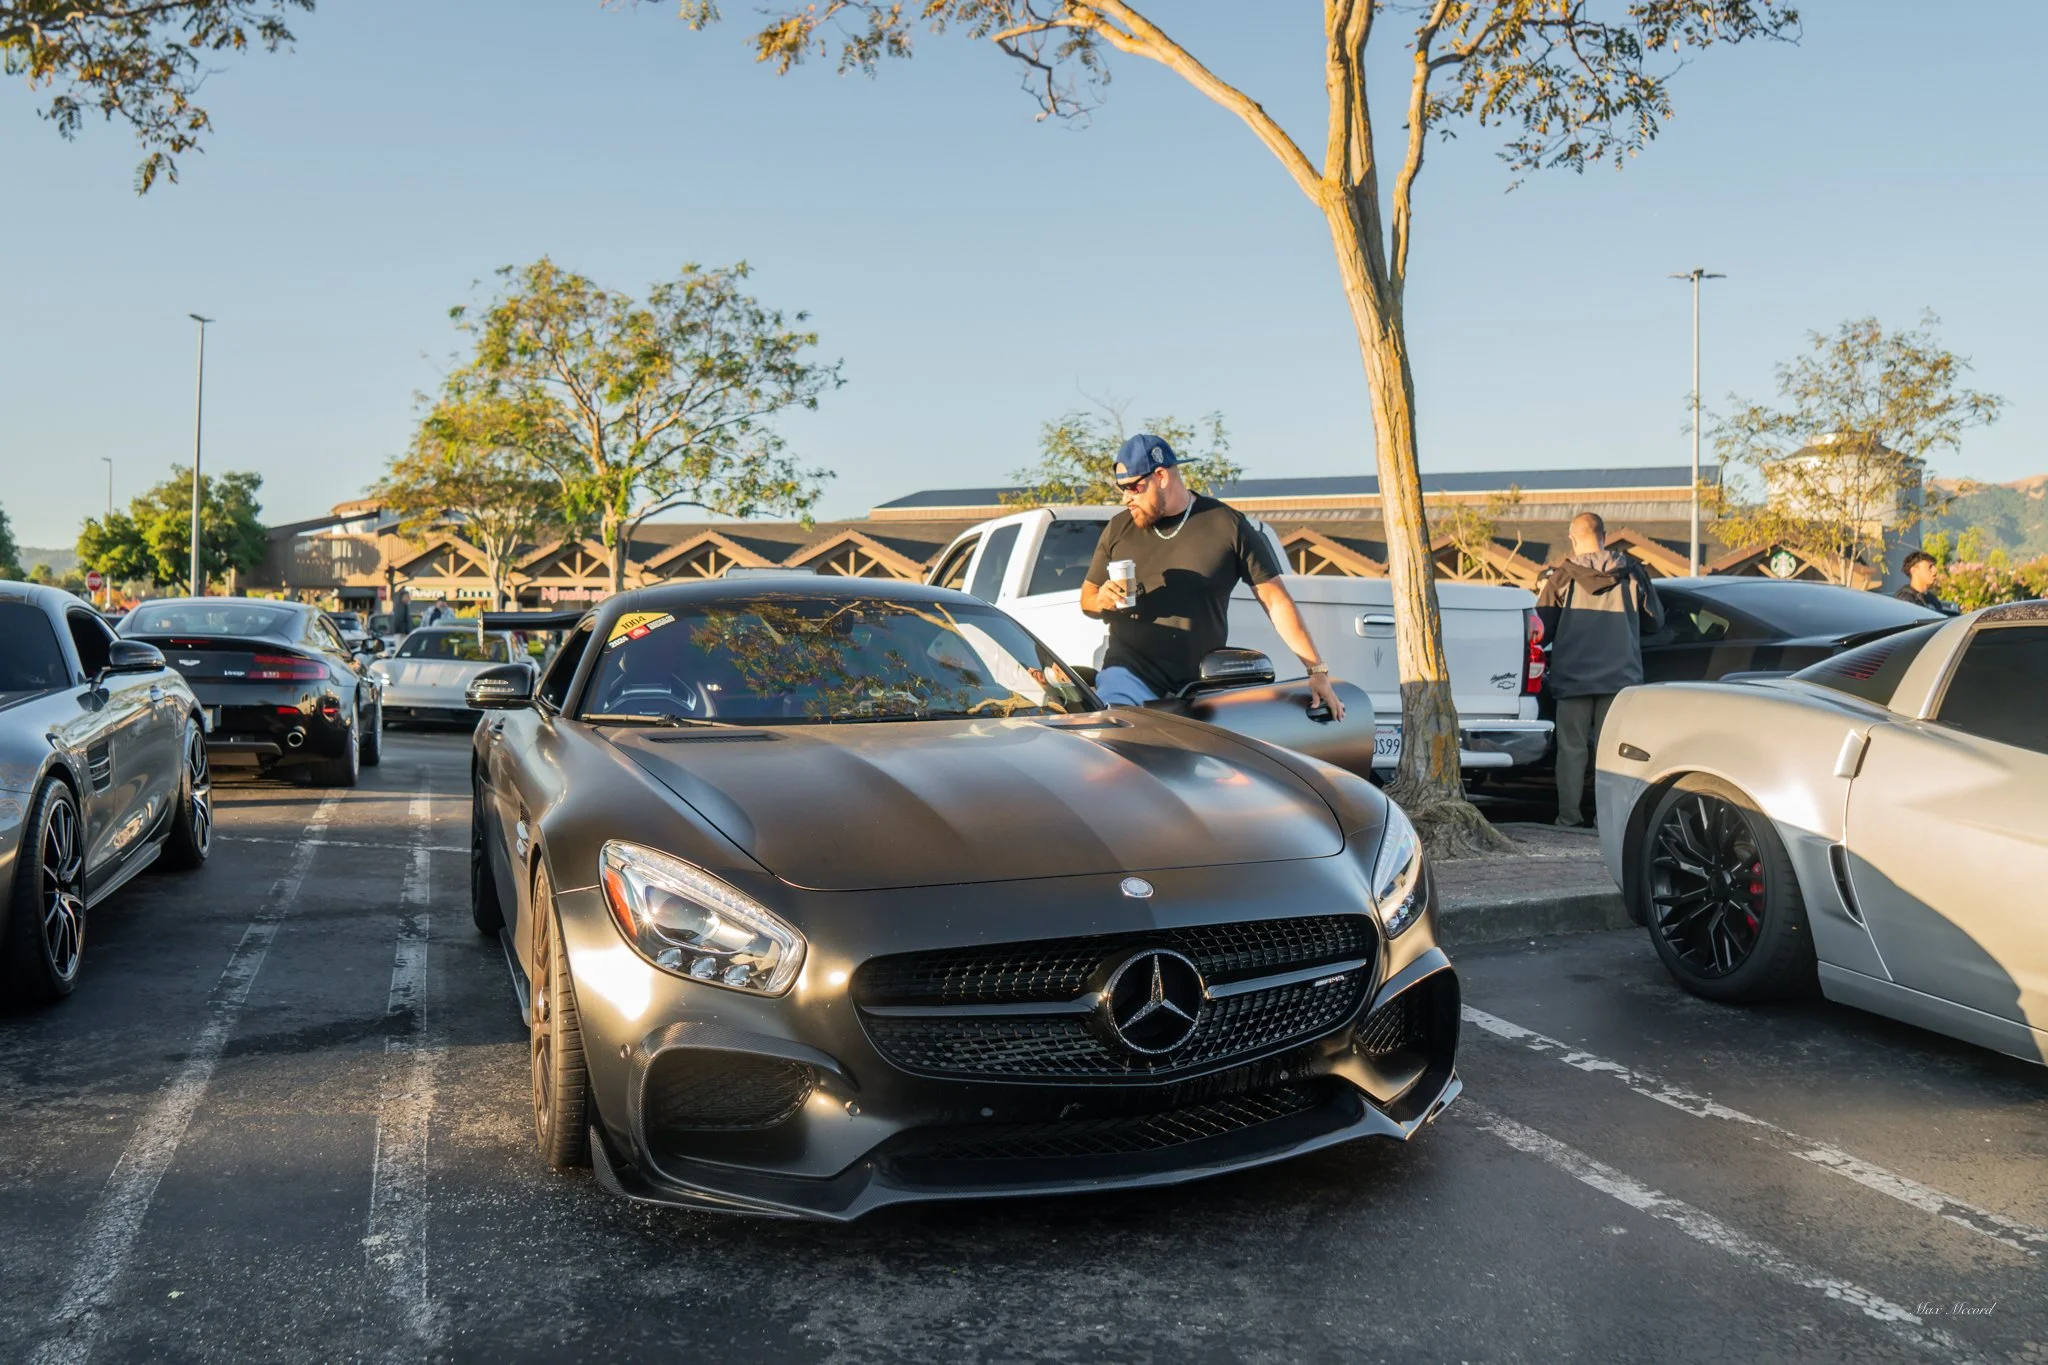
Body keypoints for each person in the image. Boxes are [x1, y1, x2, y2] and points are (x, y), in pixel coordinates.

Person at [1079, 433, 1346, 720]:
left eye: (1134, 487)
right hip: (1128, 675)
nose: (1126, 497)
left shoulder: (1226, 525)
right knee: (1116, 743)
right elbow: (1087, 599)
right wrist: (1102, 600)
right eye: (1122, 488)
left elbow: (1276, 602)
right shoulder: (1119, 528)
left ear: (1161, 476)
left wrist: (1317, 671)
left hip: (1200, 689)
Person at [1536, 512, 1663, 829]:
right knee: (1614, 753)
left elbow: (1541, 628)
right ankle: (1607, 820)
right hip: (1621, 679)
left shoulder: (1563, 575)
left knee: (1571, 751)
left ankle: (1568, 817)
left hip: (1572, 677)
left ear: (1573, 538)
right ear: (1604, 536)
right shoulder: (1632, 572)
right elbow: (1655, 622)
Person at [1894, 550, 1956, 614]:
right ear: (1914, 571)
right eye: (1930, 566)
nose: (1935, 570)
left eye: (1934, 566)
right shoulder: (1905, 599)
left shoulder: (1932, 598)